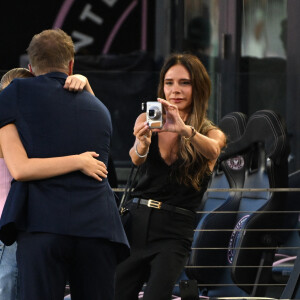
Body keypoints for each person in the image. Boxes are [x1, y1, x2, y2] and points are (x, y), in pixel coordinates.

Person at [0, 29, 129, 300]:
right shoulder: (99, 109)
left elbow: (20, 170)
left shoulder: (16, 92)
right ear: (71, 64)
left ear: (30, 66)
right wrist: (78, 161)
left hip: (43, 226)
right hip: (99, 230)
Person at [115, 53, 226, 300]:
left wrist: (184, 130)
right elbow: (135, 158)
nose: (175, 89)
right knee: (117, 293)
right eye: (169, 82)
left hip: (174, 230)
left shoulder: (210, 132)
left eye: (184, 82)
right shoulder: (147, 120)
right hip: (137, 220)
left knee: (157, 295)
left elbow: (214, 150)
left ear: (198, 86)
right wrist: (142, 145)